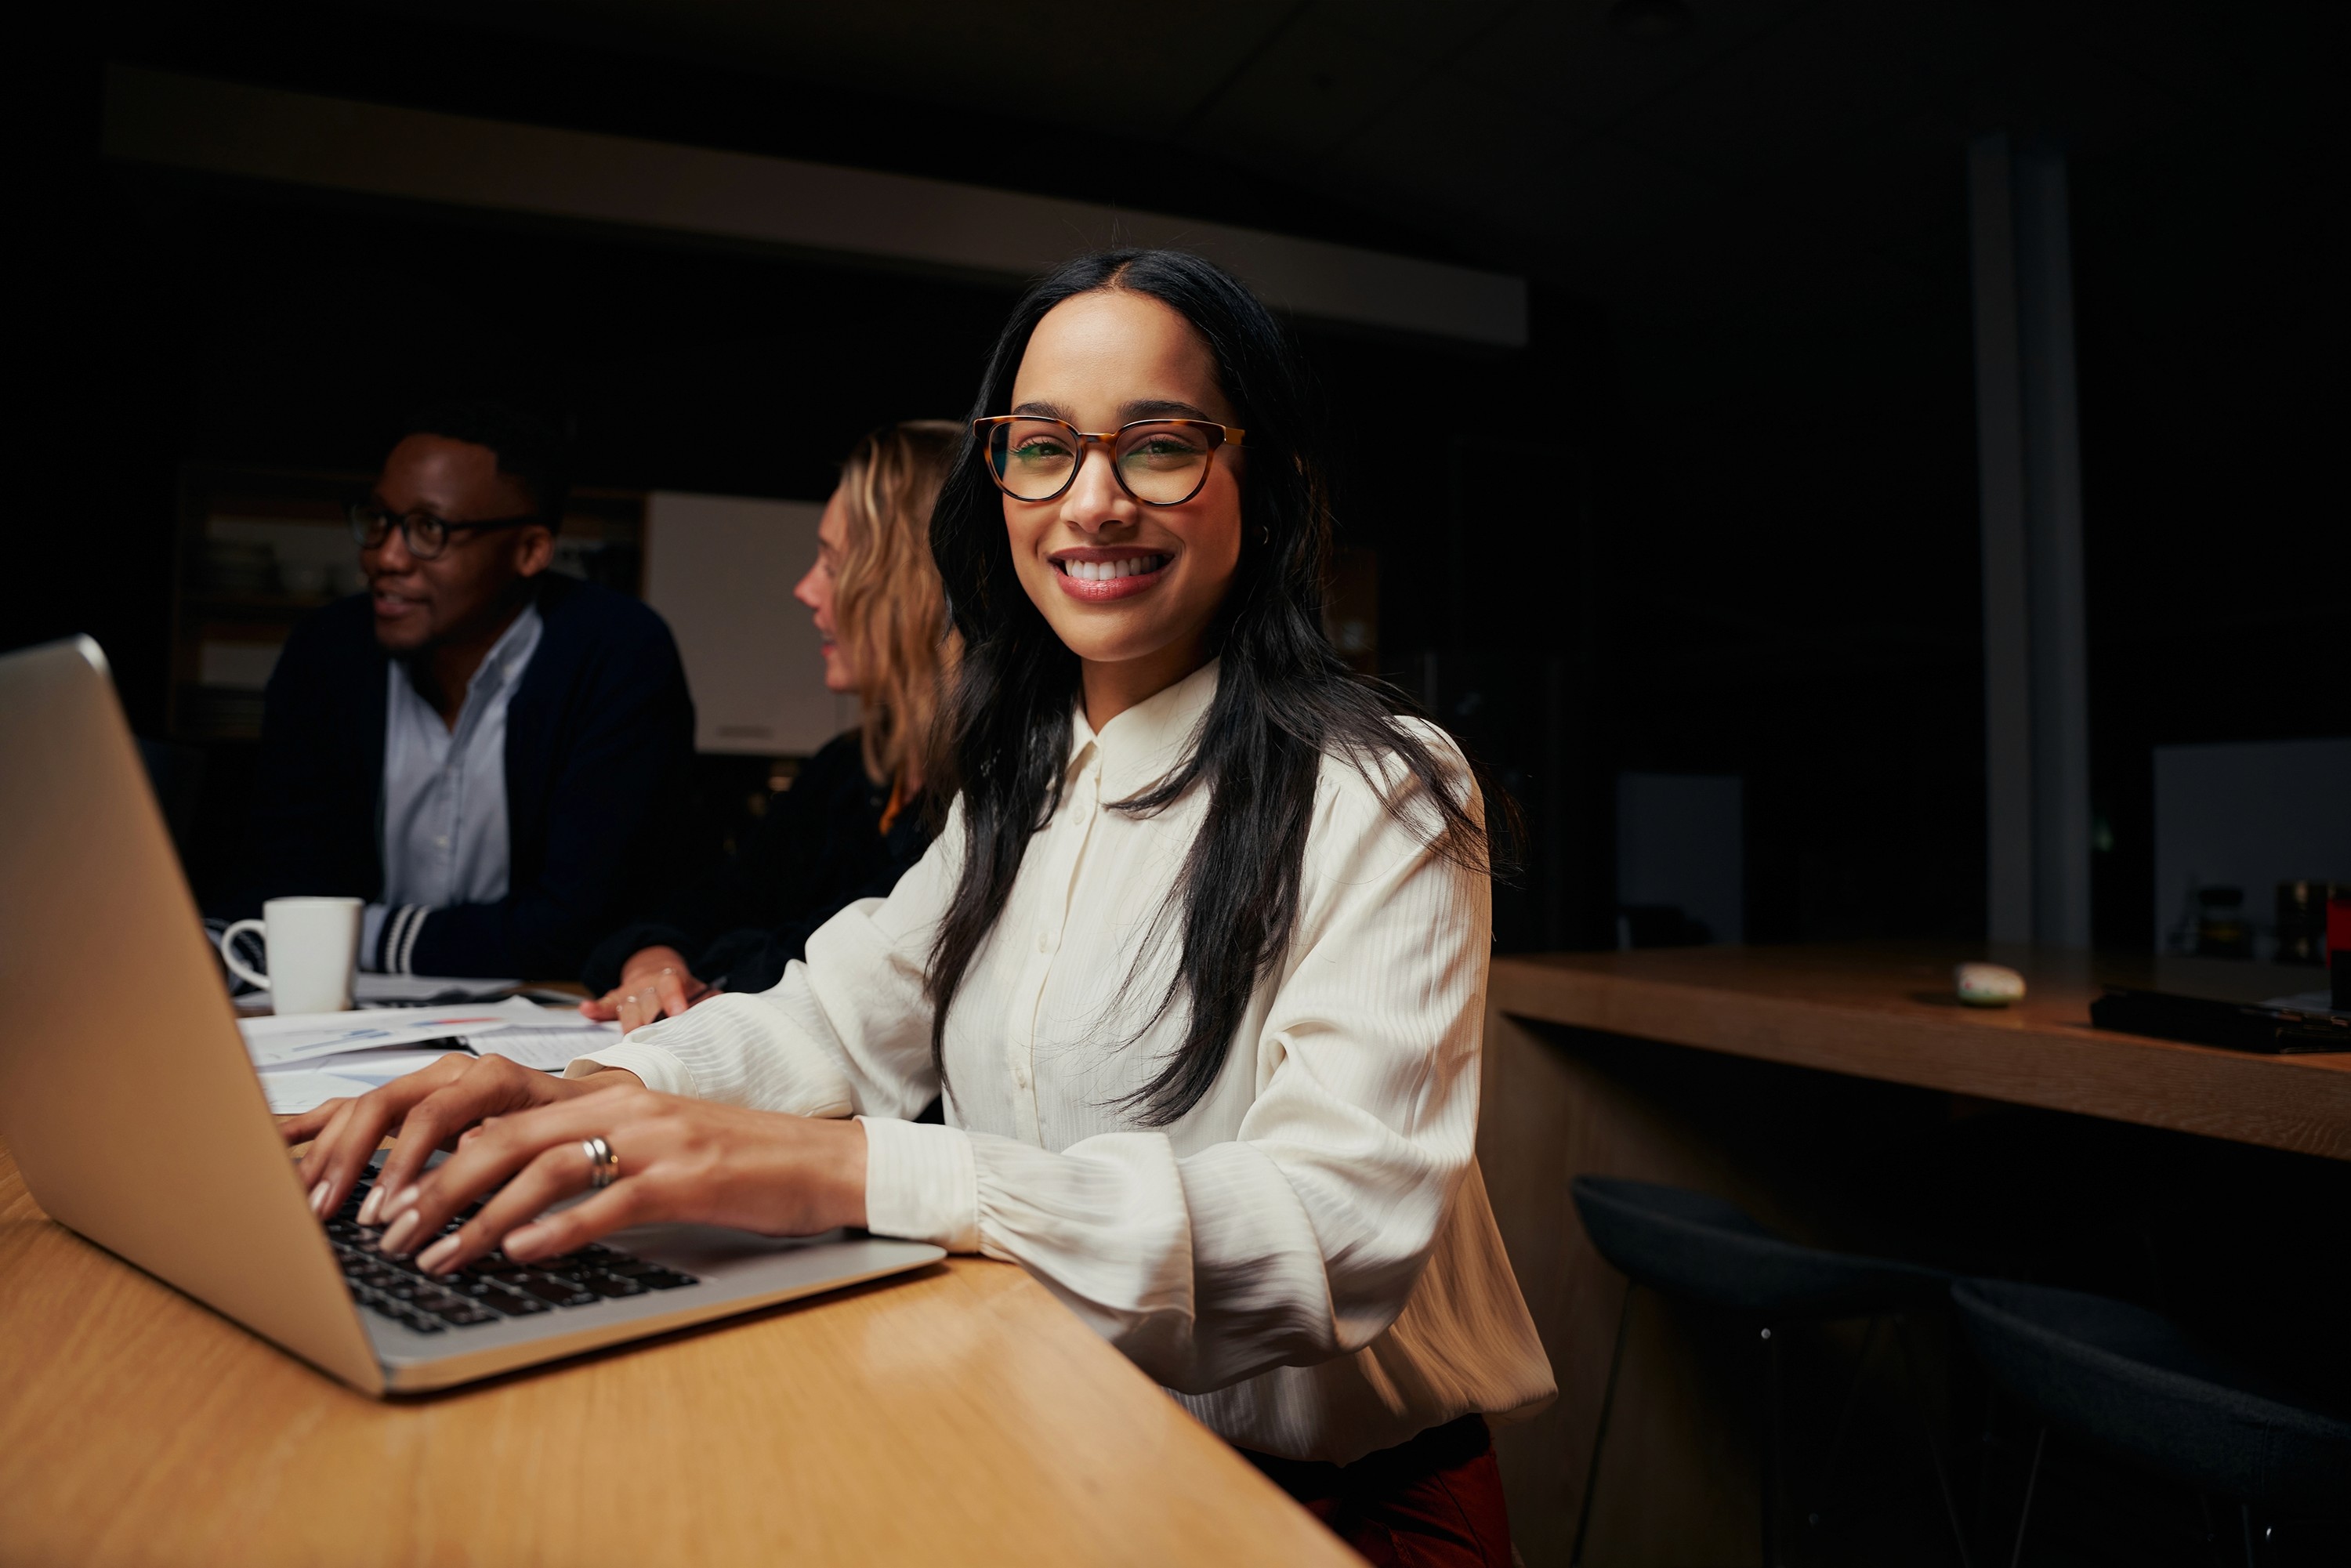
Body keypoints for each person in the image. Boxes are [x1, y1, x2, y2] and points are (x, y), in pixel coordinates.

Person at [285, 252, 1554, 1566]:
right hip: (1065, 1436)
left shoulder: (1380, 785)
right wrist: (558, 1092)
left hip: (1324, 1510)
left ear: (1267, 484)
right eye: (1044, 447)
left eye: (1163, 447)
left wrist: (849, 1170)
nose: (1095, 501)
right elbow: (832, 1024)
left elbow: (1333, 1229)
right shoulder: (1023, 775)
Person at [219, 403, 697, 980]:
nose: (384, 558)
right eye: (378, 519)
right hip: (340, 1021)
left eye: (429, 529)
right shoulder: (327, 652)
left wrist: (350, 935)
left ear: (530, 551)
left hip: (547, 1014)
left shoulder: (617, 653)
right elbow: (278, 887)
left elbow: (576, 922)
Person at [577, 422, 959, 1032]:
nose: (805, 589)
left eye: (834, 565)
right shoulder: (848, 769)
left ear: (916, 583)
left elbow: (827, 964)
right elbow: (712, 901)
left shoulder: (988, 794)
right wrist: (654, 957)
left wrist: (710, 966)